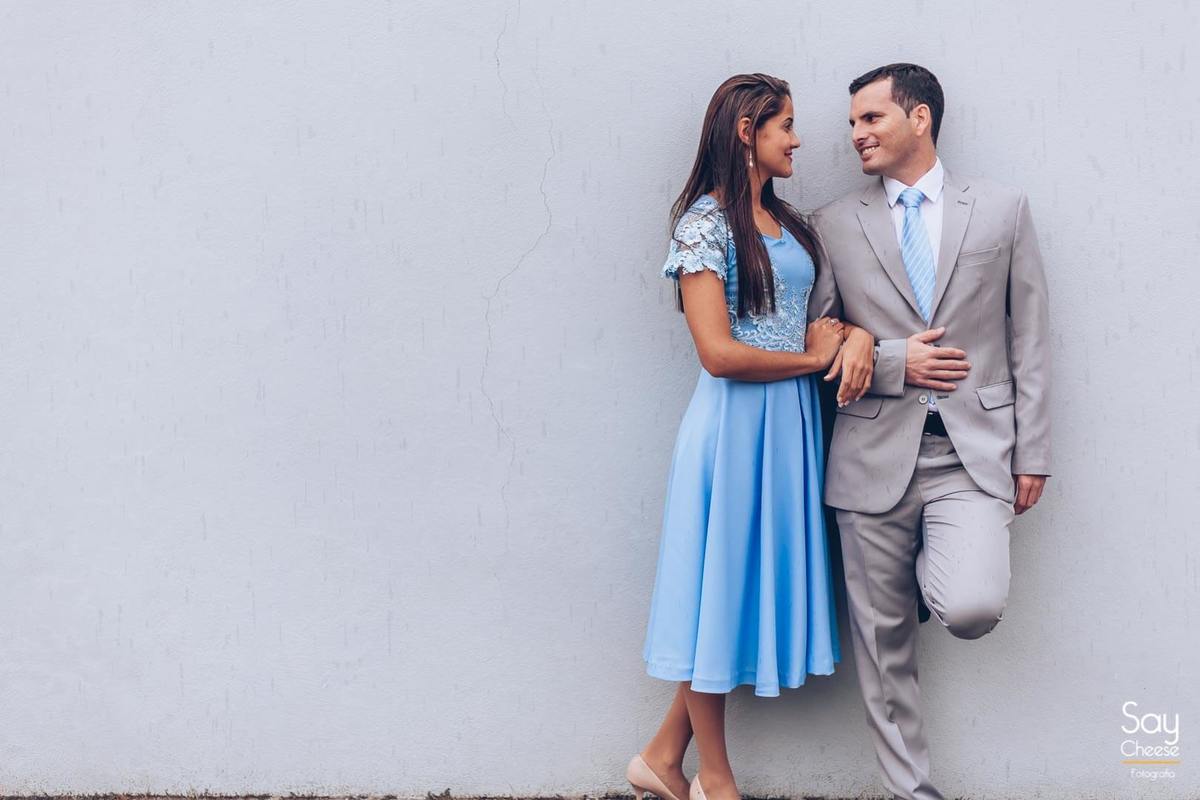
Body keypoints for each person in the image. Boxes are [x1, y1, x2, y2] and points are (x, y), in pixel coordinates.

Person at [809, 63, 1052, 800]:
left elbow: (1030, 338)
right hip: (870, 457)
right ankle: (911, 793)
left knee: (972, 604)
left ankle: (932, 570)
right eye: (852, 122)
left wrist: (1032, 451)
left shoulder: (1004, 211)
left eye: (870, 119)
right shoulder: (832, 223)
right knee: (883, 651)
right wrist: (890, 360)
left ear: (920, 119)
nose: (855, 135)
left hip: (972, 459)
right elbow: (817, 336)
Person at [628, 73, 849, 800]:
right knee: (713, 593)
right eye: (786, 124)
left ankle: (662, 758)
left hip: (788, 429)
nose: (798, 138)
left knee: (731, 593)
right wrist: (811, 358)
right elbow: (717, 353)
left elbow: (810, 311)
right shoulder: (704, 225)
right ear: (747, 131)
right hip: (731, 429)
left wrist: (836, 337)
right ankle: (713, 779)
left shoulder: (789, 222)